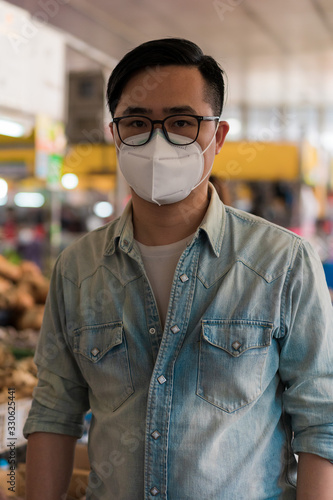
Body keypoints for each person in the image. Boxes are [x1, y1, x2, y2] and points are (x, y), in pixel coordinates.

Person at [23, 38, 333, 500]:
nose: (158, 139)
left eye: (182, 122)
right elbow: (51, 412)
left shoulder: (282, 262)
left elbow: (322, 420)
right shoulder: (78, 269)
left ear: (218, 136)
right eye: (137, 122)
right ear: (115, 134)